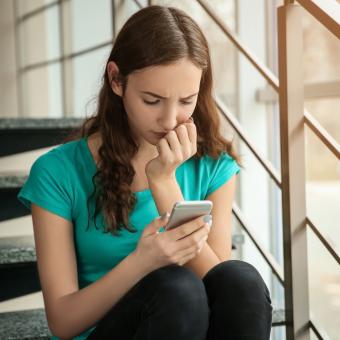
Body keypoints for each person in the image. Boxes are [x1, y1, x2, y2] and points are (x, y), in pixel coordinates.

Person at [17, 5, 272, 340]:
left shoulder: (214, 164)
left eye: (186, 101)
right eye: (152, 100)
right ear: (116, 80)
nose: (169, 121)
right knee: (177, 288)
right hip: (106, 331)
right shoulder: (57, 172)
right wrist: (143, 261)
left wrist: (164, 183)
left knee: (242, 279)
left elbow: (225, 292)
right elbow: (63, 321)